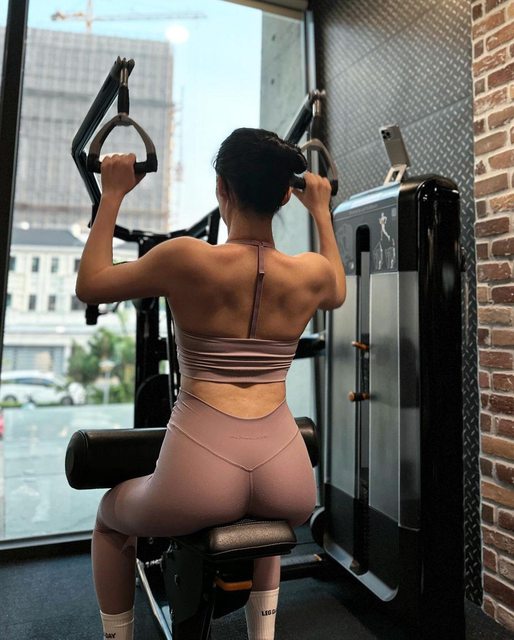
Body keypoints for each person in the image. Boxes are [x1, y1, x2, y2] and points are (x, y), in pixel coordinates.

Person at [76, 127, 346, 640]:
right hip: (289, 477)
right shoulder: (312, 272)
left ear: (222, 188)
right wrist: (320, 211)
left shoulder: (186, 257)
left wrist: (111, 195)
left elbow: (91, 283)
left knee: (110, 516)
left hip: (198, 474)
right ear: (285, 195)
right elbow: (336, 292)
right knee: (269, 524)